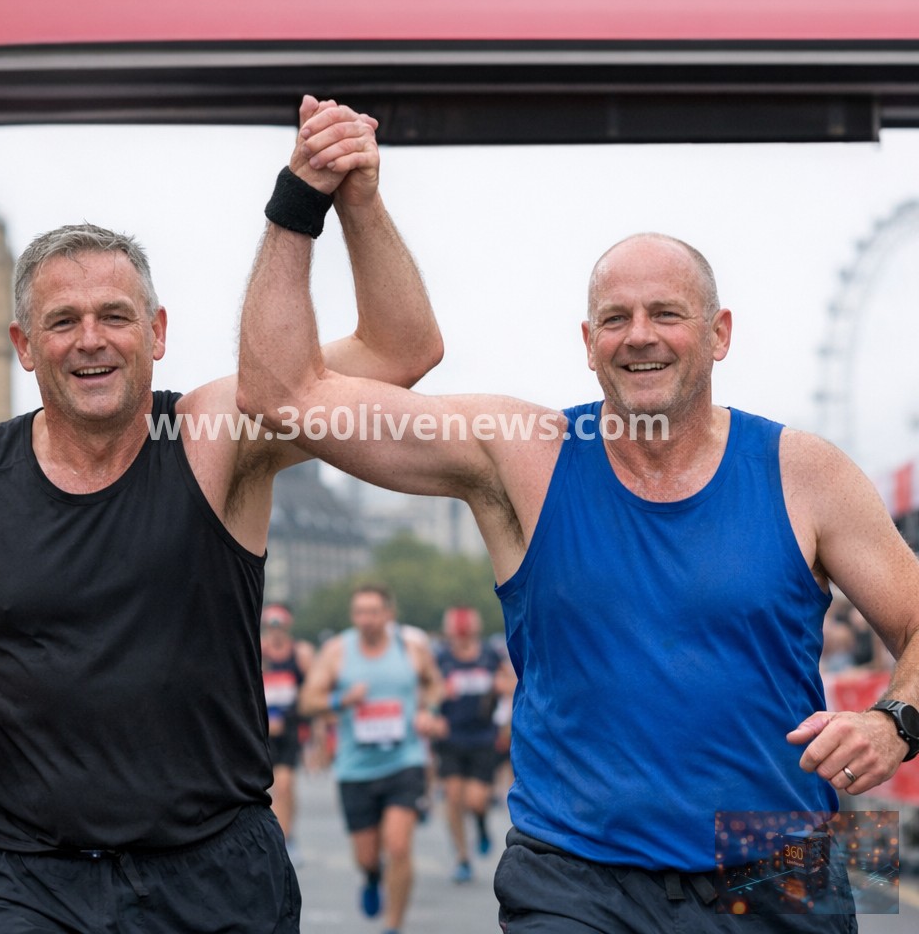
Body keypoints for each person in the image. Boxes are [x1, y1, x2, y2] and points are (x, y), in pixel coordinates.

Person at [238, 226, 919, 932]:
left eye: (667, 313)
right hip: (579, 871)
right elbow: (280, 394)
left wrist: (896, 721)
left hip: (776, 859)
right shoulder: (528, 456)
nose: (640, 336)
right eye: (616, 319)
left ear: (719, 333)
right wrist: (316, 198)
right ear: (588, 342)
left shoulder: (805, 472)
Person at [0, 95, 443, 934]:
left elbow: (402, 353)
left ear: (156, 331)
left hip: (212, 875)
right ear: (21, 345)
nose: (91, 340)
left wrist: (353, 200)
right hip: (20, 879)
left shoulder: (219, 435)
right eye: (63, 321)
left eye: (115, 316)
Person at [298, 584, 445, 934]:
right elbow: (307, 702)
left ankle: (393, 925)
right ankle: (371, 876)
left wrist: (430, 711)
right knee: (366, 856)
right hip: (355, 768)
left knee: (398, 846)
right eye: (360, 612)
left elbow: (434, 683)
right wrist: (340, 701)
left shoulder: (410, 648)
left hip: (404, 760)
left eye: (373, 612)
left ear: (389, 614)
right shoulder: (337, 652)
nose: (366, 619)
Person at [433, 605, 513, 884]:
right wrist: (434, 703)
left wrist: (503, 685)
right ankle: (462, 856)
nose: (461, 638)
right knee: (453, 798)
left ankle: (479, 824)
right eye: (457, 633)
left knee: (476, 800)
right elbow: (424, 691)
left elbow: (512, 681)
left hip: (482, 738)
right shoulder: (440, 659)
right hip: (451, 738)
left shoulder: (490, 656)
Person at [260, 602, 314, 859]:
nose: (275, 632)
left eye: (279, 626)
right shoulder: (257, 651)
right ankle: (274, 834)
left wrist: (317, 735)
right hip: (262, 731)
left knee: (285, 785)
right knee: (265, 789)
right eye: (271, 626)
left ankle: (286, 838)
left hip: (290, 729)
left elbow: (311, 693)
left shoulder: (300, 654)